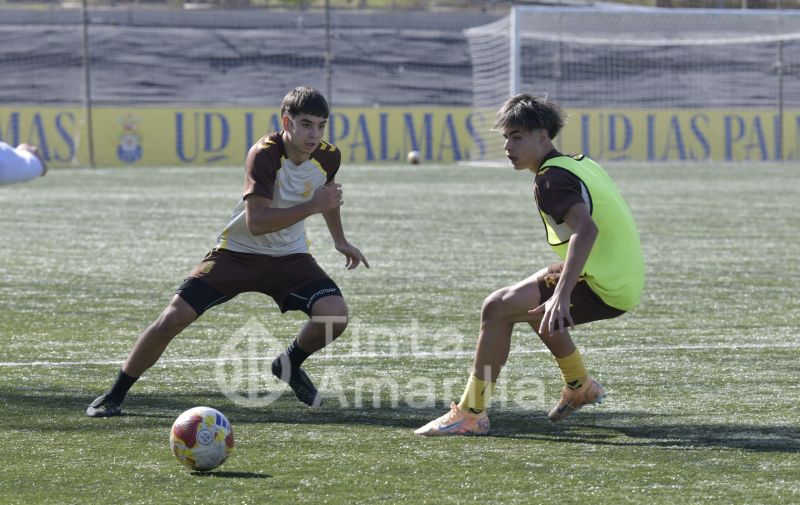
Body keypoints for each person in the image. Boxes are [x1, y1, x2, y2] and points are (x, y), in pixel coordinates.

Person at [86, 86, 369, 417]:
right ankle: (114, 395)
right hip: (237, 253)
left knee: (335, 314)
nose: (314, 134)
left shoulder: (328, 155)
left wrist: (340, 240)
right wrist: (311, 207)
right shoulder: (263, 153)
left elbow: (328, 197)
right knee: (172, 318)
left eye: (321, 125)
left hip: (289, 257)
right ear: (286, 121)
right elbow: (257, 223)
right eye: (306, 124)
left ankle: (289, 363)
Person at [415, 94, 644, 436]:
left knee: (496, 308)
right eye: (506, 137)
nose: (508, 146)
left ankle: (470, 413)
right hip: (620, 275)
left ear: (542, 136)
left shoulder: (550, 180)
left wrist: (563, 294)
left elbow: (587, 230)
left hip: (606, 285)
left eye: (517, 137)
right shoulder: (579, 163)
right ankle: (580, 386)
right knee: (530, 303)